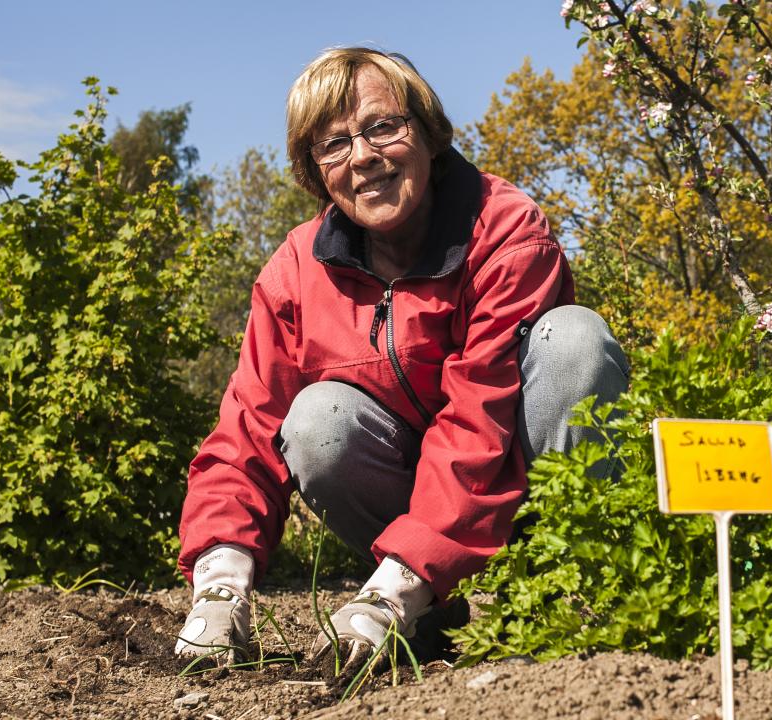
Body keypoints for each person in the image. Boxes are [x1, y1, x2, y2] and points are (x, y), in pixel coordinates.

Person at [172, 47, 629, 669]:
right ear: (316, 171)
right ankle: (433, 612)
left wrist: (399, 579)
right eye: (333, 144)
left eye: (382, 127)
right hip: (417, 512)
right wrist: (221, 577)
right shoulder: (297, 271)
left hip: (519, 482)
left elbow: (478, 420)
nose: (362, 156)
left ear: (427, 131)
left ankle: (573, 593)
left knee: (573, 341)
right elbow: (249, 426)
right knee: (316, 422)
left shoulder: (503, 230)